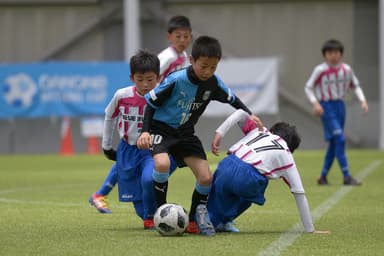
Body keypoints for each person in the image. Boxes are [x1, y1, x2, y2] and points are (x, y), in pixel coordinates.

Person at [137, 35, 263, 236]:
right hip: (160, 129)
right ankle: (161, 212)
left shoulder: (214, 84)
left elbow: (233, 99)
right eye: (203, 66)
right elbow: (151, 104)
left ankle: (195, 219)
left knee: (205, 178)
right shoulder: (176, 80)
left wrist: (250, 113)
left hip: (186, 133)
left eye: (213, 67)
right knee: (162, 164)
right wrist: (145, 131)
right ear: (192, 60)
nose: (208, 71)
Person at [89, 15, 192, 216]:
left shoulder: (184, 57)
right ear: (169, 37)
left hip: (153, 134)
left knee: (156, 165)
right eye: (178, 36)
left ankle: (114, 194)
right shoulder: (167, 58)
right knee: (132, 158)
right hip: (141, 131)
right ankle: (103, 194)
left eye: (186, 36)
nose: (182, 40)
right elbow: (151, 77)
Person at [89, 50, 176, 229]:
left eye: (150, 80)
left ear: (158, 78)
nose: (145, 84)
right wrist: (106, 146)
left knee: (147, 180)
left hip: (152, 150)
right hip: (127, 150)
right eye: (140, 79)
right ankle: (149, 215)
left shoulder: (163, 97)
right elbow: (109, 116)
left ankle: (154, 215)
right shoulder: (122, 96)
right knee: (137, 202)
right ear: (132, 78)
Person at [207, 109, 330, 234]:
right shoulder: (286, 155)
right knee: (258, 186)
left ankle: (200, 220)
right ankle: (224, 221)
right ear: (291, 148)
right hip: (247, 178)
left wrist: (219, 133)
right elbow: (299, 193)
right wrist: (310, 229)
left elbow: (240, 113)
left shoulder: (260, 131)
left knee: (216, 198)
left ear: (271, 131)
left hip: (226, 164)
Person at [304, 39, 369, 186]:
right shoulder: (320, 70)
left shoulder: (346, 70)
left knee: (334, 143)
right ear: (324, 55)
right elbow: (308, 87)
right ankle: (346, 176)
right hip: (326, 107)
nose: (333, 55)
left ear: (341, 54)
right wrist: (315, 103)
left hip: (340, 106)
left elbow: (355, 85)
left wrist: (363, 101)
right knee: (340, 139)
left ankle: (323, 177)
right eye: (330, 53)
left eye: (336, 52)